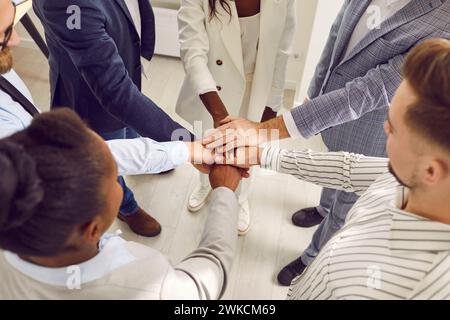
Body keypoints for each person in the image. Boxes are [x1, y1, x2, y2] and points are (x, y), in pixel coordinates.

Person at [204, 0, 450, 284]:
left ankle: (311, 256)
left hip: (368, 123)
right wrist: (315, 91)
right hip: (333, 106)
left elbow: (372, 90)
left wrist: (265, 131)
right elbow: (337, 34)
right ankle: (323, 208)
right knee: (336, 171)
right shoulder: (389, 181)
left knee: (344, 207)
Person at [0, 0, 213, 236]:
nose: (16, 40)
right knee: (108, 145)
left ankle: (155, 153)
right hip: (91, 91)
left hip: (122, 58)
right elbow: (115, 98)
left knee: (131, 122)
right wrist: (187, 143)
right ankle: (127, 206)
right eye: (6, 32)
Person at [0, 108, 247, 300]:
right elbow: (209, 273)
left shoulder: (12, 218)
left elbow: (104, 155)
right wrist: (225, 192)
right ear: (92, 229)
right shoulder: (146, 283)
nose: (120, 181)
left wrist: (186, 151)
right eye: (116, 179)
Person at [176, 0, 296, 235]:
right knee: (207, 144)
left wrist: (272, 105)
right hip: (211, 91)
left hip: (257, 88)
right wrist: (220, 117)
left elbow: (282, 52)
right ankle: (204, 185)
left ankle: (241, 199)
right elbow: (193, 52)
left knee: (248, 151)